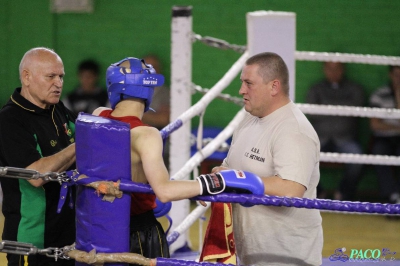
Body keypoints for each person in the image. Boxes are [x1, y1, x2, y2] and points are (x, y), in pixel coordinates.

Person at [92, 57, 263, 261]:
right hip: (137, 231)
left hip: (99, 226)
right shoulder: (146, 135)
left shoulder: (98, 116)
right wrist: (216, 183)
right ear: (147, 90)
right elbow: (163, 191)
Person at [212, 52, 323, 265]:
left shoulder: (293, 130)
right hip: (249, 250)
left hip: (285, 255)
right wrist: (215, 181)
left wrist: (235, 178)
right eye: (242, 82)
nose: (241, 90)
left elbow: (292, 189)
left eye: (249, 83)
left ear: (273, 87)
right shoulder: (249, 118)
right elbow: (228, 168)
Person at [0, 47, 76, 266]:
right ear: (27, 77)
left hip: (68, 237)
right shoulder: (10, 120)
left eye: (61, 76)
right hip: (31, 242)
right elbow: (35, 175)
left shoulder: (57, 108)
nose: (58, 83)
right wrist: (80, 146)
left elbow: (83, 135)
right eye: (50, 76)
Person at [306, 61, 365, 200]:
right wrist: (340, 109)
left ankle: (344, 193)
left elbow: (356, 107)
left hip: (345, 139)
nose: (333, 72)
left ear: (343, 69)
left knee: (358, 158)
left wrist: (325, 107)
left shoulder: (354, 88)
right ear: (324, 69)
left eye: (337, 68)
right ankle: (317, 192)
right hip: (320, 138)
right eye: (329, 68)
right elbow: (312, 112)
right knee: (304, 156)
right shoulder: (316, 88)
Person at [369, 65, 400, 205]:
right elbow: (375, 124)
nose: (398, 79)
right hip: (383, 138)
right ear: (390, 75)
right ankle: (393, 196)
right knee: (379, 153)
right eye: (396, 75)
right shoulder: (379, 94)